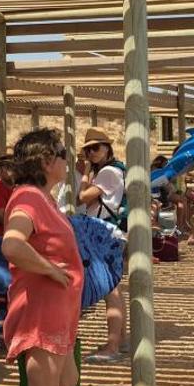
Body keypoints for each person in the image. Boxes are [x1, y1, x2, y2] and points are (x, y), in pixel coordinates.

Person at [1, 128, 83, 386]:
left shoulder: (43, 197)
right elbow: (12, 244)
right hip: (42, 311)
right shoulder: (29, 197)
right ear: (47, 161)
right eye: (63, 154)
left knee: (63, 385)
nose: (67, 161)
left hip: (58, 310)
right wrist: (49, 269)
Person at [77, 128, 127, 363]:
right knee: (113, 287)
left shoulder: (107, 172)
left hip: (104, 232)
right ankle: (117, 339)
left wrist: (86, 172)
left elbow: (83, 197)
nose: (91, 152)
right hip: (109, 232)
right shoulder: (113, 170)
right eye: (88, 149)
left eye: (96, 148)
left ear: (108, 148)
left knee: (110, 289)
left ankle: (113, 345)